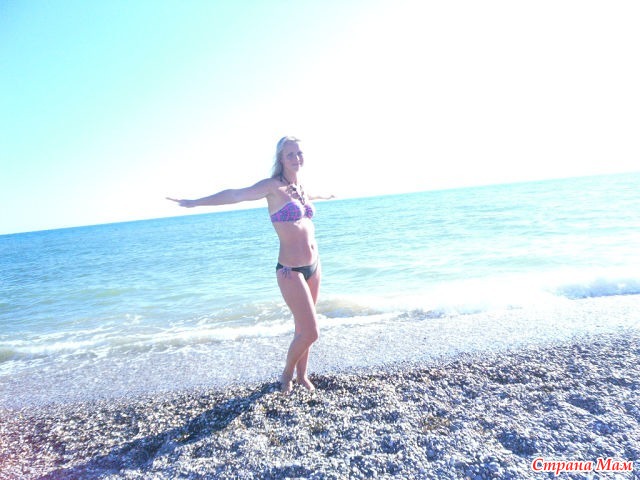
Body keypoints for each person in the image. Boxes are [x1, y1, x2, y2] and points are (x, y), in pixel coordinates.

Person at [167, 136, 331, 394]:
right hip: (290, 271)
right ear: (280, 159)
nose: (296, 158)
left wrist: (329, 195)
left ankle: (302, 376)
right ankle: (286, 375)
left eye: (299, 153)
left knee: (303, 328)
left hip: (314, 265)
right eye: (290, 154)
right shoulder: (272, 187)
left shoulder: (300, 187)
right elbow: (235, 195)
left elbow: (314, 196)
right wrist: (195, 202)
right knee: (311, 332)